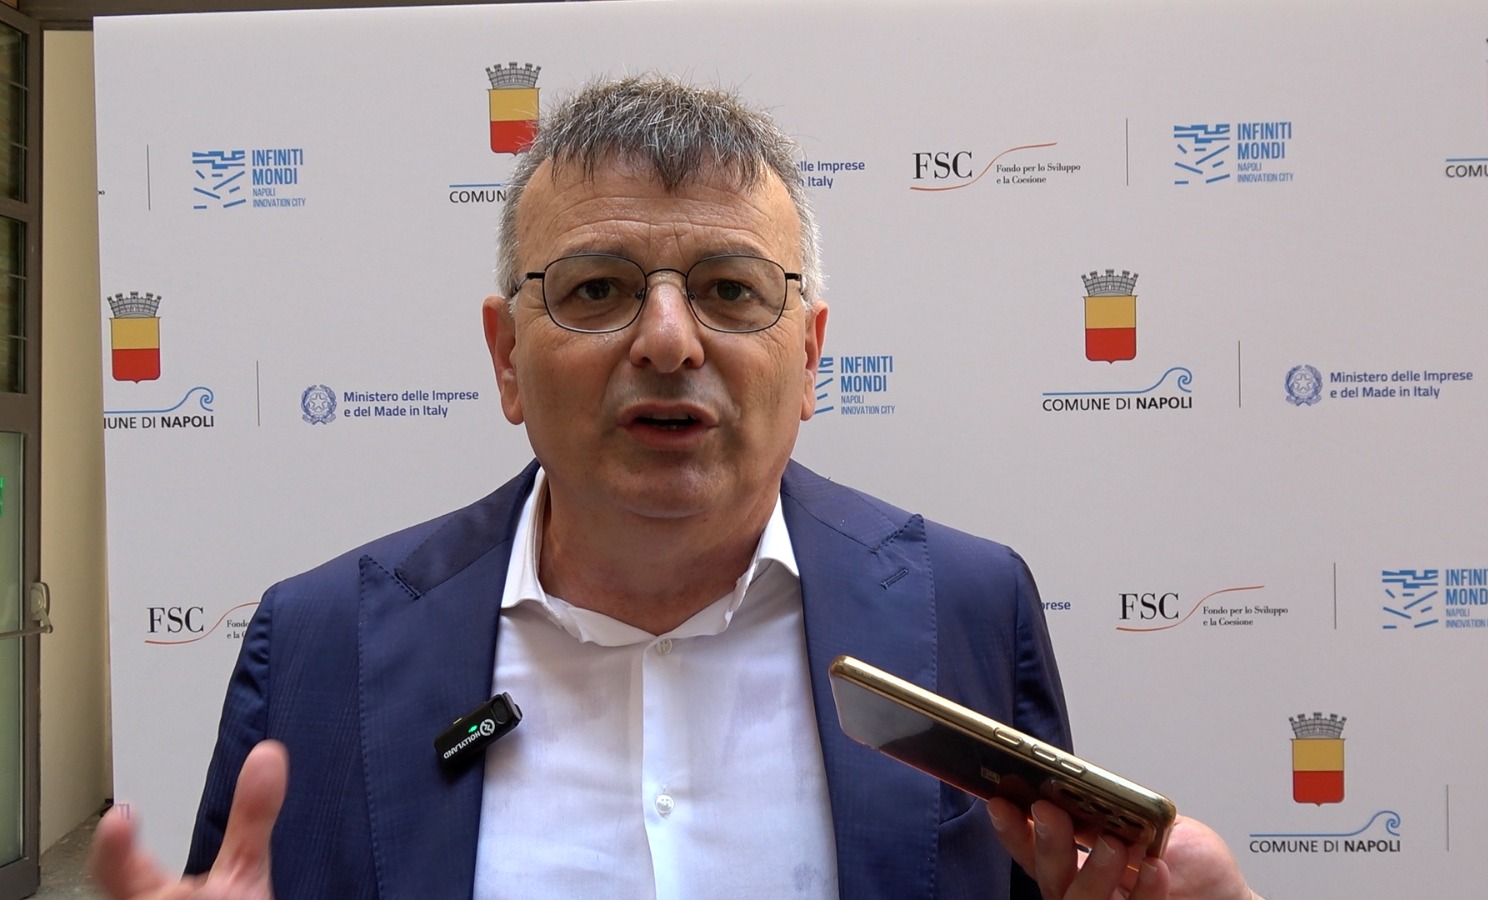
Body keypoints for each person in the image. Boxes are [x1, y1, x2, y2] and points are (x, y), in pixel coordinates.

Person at [88, 75, 1260, 900]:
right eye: (595, 290)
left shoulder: (967, 607)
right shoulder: (318, 641)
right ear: (506, 357)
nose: (665, 339)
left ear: (811, 357)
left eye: (731, 289)